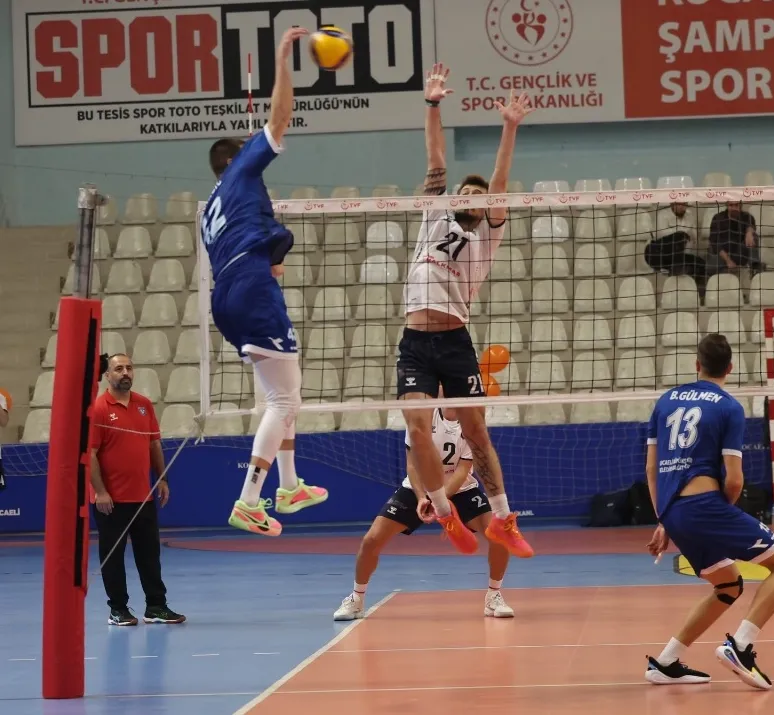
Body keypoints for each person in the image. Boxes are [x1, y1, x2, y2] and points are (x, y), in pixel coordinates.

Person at [395, 62, 534, 559]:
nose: (473, 196)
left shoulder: (487, 237)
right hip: (416, 340)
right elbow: (435, 158)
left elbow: (500, 180)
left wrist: (509, 127)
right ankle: (442, 511)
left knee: (476, 431)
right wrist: (432, 104)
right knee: (416, 428)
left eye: (480, 195)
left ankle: (503, 519)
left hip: (455, 340)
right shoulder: (434, 215)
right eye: (467, 192)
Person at [201, 27, 328, 536]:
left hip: (228, 293)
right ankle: (249, 500)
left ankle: (290, 485)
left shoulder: (214, 205)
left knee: (283, 391)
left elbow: (255, 245)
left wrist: (273, 259)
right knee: (284, 400)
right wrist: (283, 57)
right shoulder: (243, 171)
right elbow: (279, 119)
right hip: (250, 290)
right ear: (235, 159)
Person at [644, 334, 774, 689]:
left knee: (727, 585)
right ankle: (740, 647)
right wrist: (721, 515)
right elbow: (734, 479)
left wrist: (664, 519)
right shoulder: (729, 406)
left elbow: (652, 469)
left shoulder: (665, 401)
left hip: (674, 511)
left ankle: (665, 662)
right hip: (705, 509)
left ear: (696, 365)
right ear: (730, 368)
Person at [333, 400, 514, 621]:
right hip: (417, 488)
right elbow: (412, 464)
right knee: (371, 540)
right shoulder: (422, 416)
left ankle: (494, 596)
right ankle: (356, 599)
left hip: (460, 490)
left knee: (499, 535)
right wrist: (422, 497)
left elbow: (463, 470)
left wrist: (440, 501)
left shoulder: (472, 421)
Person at [89, 354, 185, 626]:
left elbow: (154, 444)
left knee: (149, 555)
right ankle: (117, 609)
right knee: (113, 558)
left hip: (142, 497)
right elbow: (90, 454)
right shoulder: (98, 409)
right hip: (111, 500)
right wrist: (100, 491)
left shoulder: (144, 405)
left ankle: (156, 606)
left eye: (129, 368)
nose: (125, 372)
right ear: (108, 375)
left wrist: (162, 479)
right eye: (118, 368)